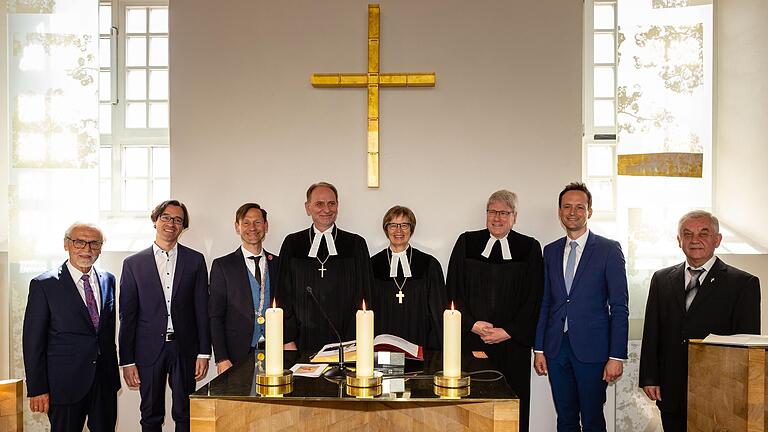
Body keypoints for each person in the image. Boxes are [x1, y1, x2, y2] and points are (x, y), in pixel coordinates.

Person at [639, 210, 760, 431]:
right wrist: (649, 377)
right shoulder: (661, 279)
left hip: (720, 392)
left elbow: (746, 345)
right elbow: (652, 332)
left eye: (703, 233)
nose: (694, 240)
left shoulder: (743, 284)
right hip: (671, 389)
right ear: (679, 240)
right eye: (687, 234)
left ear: (717, 240)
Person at [533, 182, 628, 432]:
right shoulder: (551, 251)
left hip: (593, 351)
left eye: (579, 207)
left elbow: (619, 307)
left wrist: (616, 356)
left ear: (590, 212)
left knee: (593, 418)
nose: (572, 212)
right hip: (556, 349)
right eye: (567, 206)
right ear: (559, 211)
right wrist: (539, 348)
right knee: (565, 418)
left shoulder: (609, 249)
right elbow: (546, 302)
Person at [446, 190, 544, 432]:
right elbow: (452, 291)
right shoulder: (467, 242)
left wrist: (509, 331)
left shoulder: (529, 247)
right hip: (472, 342)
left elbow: (535, 297)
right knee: (472, 410)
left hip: (513, 344)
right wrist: (471, 324)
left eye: (504, 213)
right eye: (492, 212)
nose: (497, 218)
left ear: (514, 217)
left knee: (512, 409)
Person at [118, 200, 211, 432]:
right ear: (155, 220)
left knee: (185, 412)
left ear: (183, 226)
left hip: (185, 349)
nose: (171, 223)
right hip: (147, 350)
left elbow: (202, 308)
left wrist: (203, 352)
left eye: (178, 220)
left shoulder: (196, 260)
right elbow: (127, 316)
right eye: (166, 217)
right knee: (150, 414)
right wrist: (127, 360)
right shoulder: (133, 264)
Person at [22, 222, 121, 432]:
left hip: (104, 383)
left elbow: (106, 332)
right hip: (64, 385)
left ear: (101, 247)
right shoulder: (44, 285)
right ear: (66, 244)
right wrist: (37, 388)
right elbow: (33, 342)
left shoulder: (108, 280)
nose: (87, 249)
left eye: (94, 243)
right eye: (79, 242)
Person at [276, 182, 374, 350]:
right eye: (319, 204)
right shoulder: (292, 243)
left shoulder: (355, 244)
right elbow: (282, 294)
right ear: (307, 208)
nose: (326, 209)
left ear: (337, 206)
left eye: (331, 203)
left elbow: (365, 293)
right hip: (301, 340)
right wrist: (287, 339)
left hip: (346, 339)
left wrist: (358, 338)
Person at [209, 203, 296, 375]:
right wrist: (221, 358)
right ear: (237, 227)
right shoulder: (223, 266)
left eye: (257, 222)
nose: (252, 228)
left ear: (266, 225)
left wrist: (289, 340)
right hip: (237, 354)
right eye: (246, 223)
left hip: (276, 351)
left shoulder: (279, 264)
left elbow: (288, 308)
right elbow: (215, 316)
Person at [370, 205, 446, 349]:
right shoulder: (372, 264)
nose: (398, 230)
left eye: (404, 225)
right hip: (383, 337)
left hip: (419, 337)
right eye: (393, 225)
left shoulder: (428, 264)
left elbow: (437, 310)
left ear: (411, 229)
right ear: (386, 229)